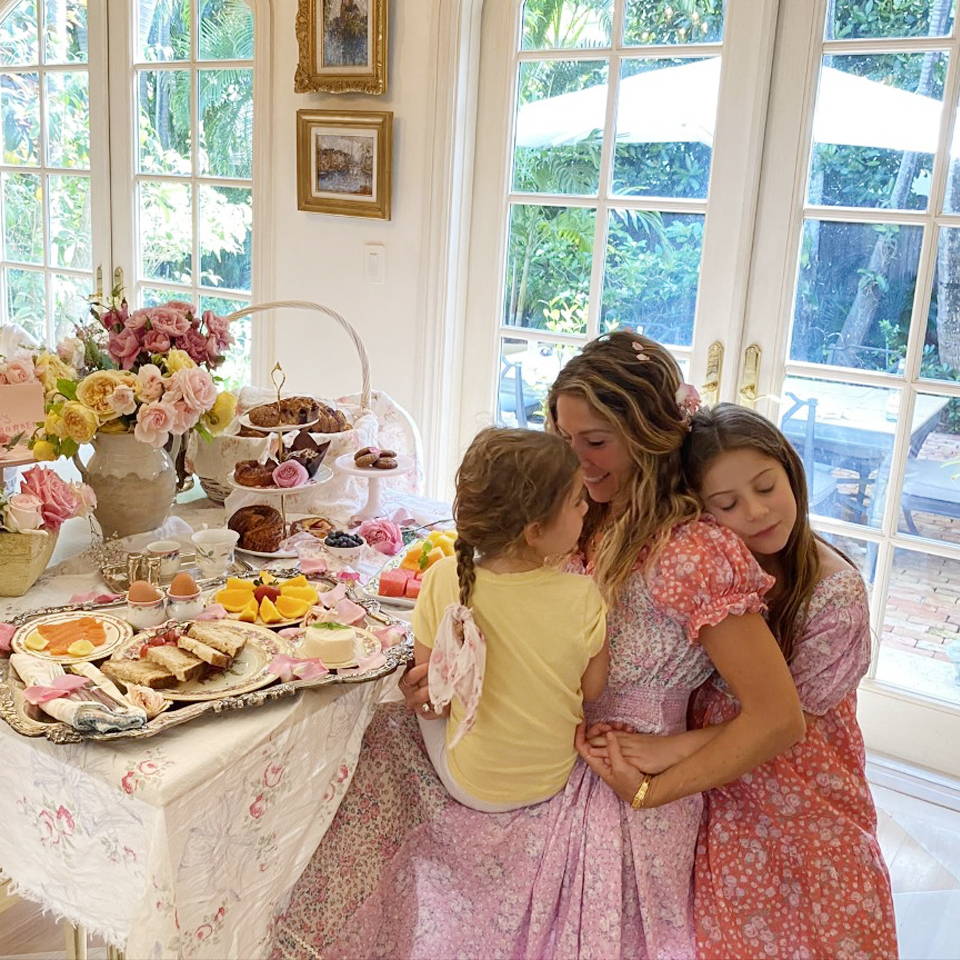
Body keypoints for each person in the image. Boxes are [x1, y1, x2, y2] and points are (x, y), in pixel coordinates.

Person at [270, 332, 805, 960]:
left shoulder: (692, 554)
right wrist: (437, 685)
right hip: (536, 744)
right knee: (373, 748)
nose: (576, 461)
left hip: (619, 784)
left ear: (650, 436)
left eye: (595, 442)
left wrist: (650, 788)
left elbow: (779, 719)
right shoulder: (570, 518)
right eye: (564, 438)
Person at [581, 403, 898, 958]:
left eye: (767, 486)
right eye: (726, 505)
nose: (755, 512)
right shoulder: (706, 569)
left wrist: (669, 752)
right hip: (718, 795)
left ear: (791, 471)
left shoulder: (834, 593)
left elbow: (788, 727)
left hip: (800, 799)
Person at [414, 427, 608, 812]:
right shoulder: (584, 595)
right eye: (577, 501)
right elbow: (593, 690)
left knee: (411, 704)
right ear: (534, 531)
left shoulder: (441, 577)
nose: (586, 509)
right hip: (552, 777)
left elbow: (435, 692)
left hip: (470, 784)